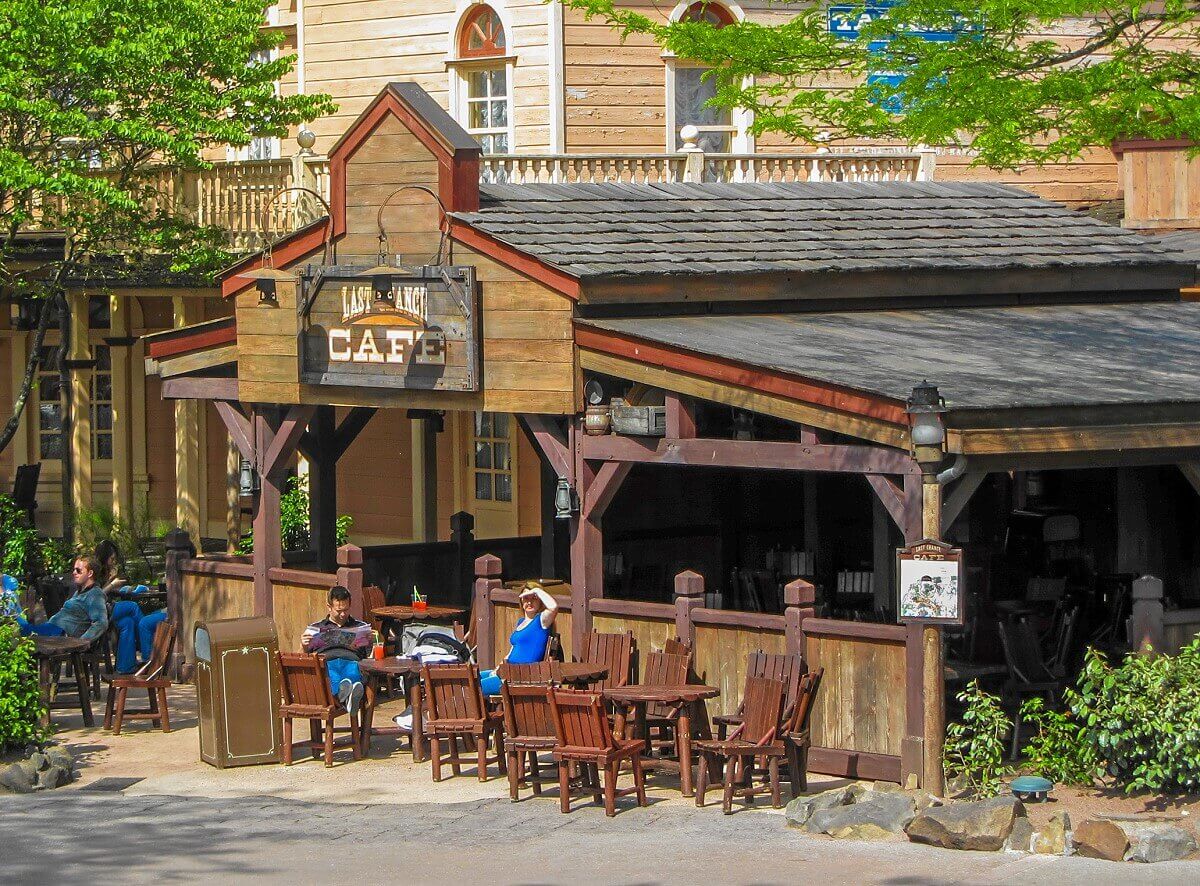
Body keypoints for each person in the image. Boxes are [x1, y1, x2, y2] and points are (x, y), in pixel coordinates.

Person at [479, 581, 558, 695]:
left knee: (475, 687)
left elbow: (553, 607)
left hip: (521, 676)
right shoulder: (521, 622)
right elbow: (513, 650)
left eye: (534, 598)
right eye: (526, 598)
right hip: (509, 670)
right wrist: (499, 668)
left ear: (540, 600)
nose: (529, 602)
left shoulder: (541, 621)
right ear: (521, 600)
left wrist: (537, 590)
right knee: (474, 677)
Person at [302, 586, 370, 716]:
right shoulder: (316, 628)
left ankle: (346, 694)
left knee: (352, 670)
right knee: (330, 672)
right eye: (339, 610)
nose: (343, 614)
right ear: (329, 607)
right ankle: (348, 698)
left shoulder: (359, 626)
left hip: (351, 661)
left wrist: (373, 640)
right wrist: (304, 645)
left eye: (346, 610)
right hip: (327, 663)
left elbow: (371, 656)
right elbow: (301, 658)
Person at [17, 556, 108, 643]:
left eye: (78, 570)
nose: (74, 572)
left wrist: (81, 642)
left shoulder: (95, 594)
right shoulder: (80, 592)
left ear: (90, 573)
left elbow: (101, 623)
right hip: (52, 629)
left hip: (58, 634)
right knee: (15, 623)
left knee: (17, 629)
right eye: (74, 569)